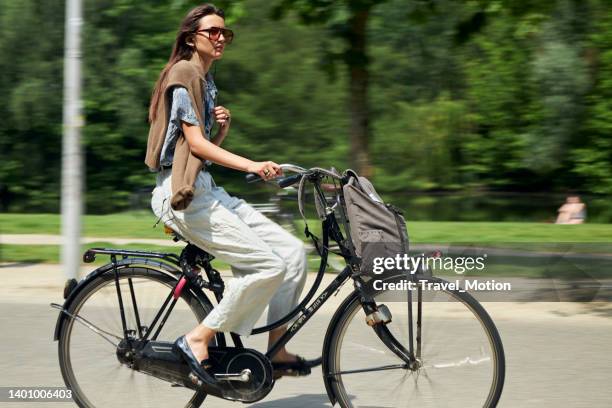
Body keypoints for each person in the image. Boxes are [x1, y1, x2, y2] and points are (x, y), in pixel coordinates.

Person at [145, 4, 311, 386]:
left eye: (225, 33)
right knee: (267, 267)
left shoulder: (204, 78)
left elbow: (198, 152)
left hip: (205, 189)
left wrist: (221, 133)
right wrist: (252, 164)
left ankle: (276, 350)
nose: (221, 38)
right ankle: (197, 338)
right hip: (182, 197)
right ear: (191, 38)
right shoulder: (184, 73)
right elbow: (195, 146)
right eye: (213, 32)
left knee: (291, 254)